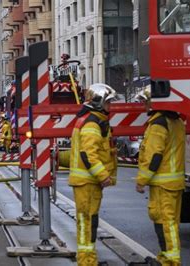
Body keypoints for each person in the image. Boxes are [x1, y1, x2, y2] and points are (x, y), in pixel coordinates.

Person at [68, 84, 118, 265]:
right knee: (87, 221)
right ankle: (86, 260)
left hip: (88, 182)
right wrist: (103, 175)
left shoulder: (94, 120)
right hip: (86, 182)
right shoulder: (91, 123)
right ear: (99, 102)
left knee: (90, 220)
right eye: (108, 102)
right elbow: (88, 154)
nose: (110, 107)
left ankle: (89, 258)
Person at [135, 88, 185, 266]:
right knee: (170, 223)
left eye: (145, 101)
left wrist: (142, 180)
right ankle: (166, 258)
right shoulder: (176, 121)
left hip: (163, 184)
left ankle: (171, 261)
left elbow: (154, 156)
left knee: (165, 223)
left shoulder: (158, 124)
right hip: (173, 183)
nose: (144, 106)